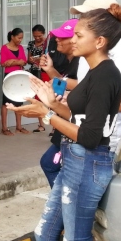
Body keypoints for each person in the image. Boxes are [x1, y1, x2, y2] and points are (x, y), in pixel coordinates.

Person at [7, 4, 121, 241]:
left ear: (99, 41)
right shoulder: (93, 72)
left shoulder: (106, 75)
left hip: (87, 164)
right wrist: (49, 104)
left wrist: (47, 117)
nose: (72, 39)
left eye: (79, 35)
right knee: (46, 237)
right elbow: (76, 115)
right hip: (74, 163)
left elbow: (89, 136)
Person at [70, 0, 121, 241]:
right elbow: (89, 89)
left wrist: (92, 107)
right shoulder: (88, 54)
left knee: (110, 203)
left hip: (111, 140)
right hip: (87, 135)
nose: (77, 30)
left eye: (83, 21)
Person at [36, 19, 79, 188]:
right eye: (58, 37)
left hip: (76, 128)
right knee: (50, 164)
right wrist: (50, 70)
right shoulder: (72, 62)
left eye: (63, 37)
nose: (57, 40)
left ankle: (64, 203)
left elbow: (80, 84)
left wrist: (47, 110)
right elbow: (64, 83)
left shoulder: (82, 63)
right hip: (67, 125)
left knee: (50, 164)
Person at [0, 28, 28, 135]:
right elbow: (3, 63)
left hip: (19, 77)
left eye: (21, 38)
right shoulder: (4, 48)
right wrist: (17, 62)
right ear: (12, 37)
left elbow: (24, 61)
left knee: (18, 102)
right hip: (9, 77)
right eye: (19, 38)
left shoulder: (20, 48)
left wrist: (12, 61)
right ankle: (4, 128)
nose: (20, 40)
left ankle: (19, 126)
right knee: (5, 103)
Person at [27, 24, 48, 132]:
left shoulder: (47, 43)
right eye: (35, 36)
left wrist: (39, 59)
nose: (37, 38)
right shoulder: (31, 44)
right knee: (37, 98)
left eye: (39, 36)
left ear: (43, 34)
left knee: (50, 98)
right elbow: (28, 59)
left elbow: (48, 58)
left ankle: (54, 127)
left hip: (45, 72)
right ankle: (41, 125)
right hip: (34, 73)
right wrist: (34, 59)